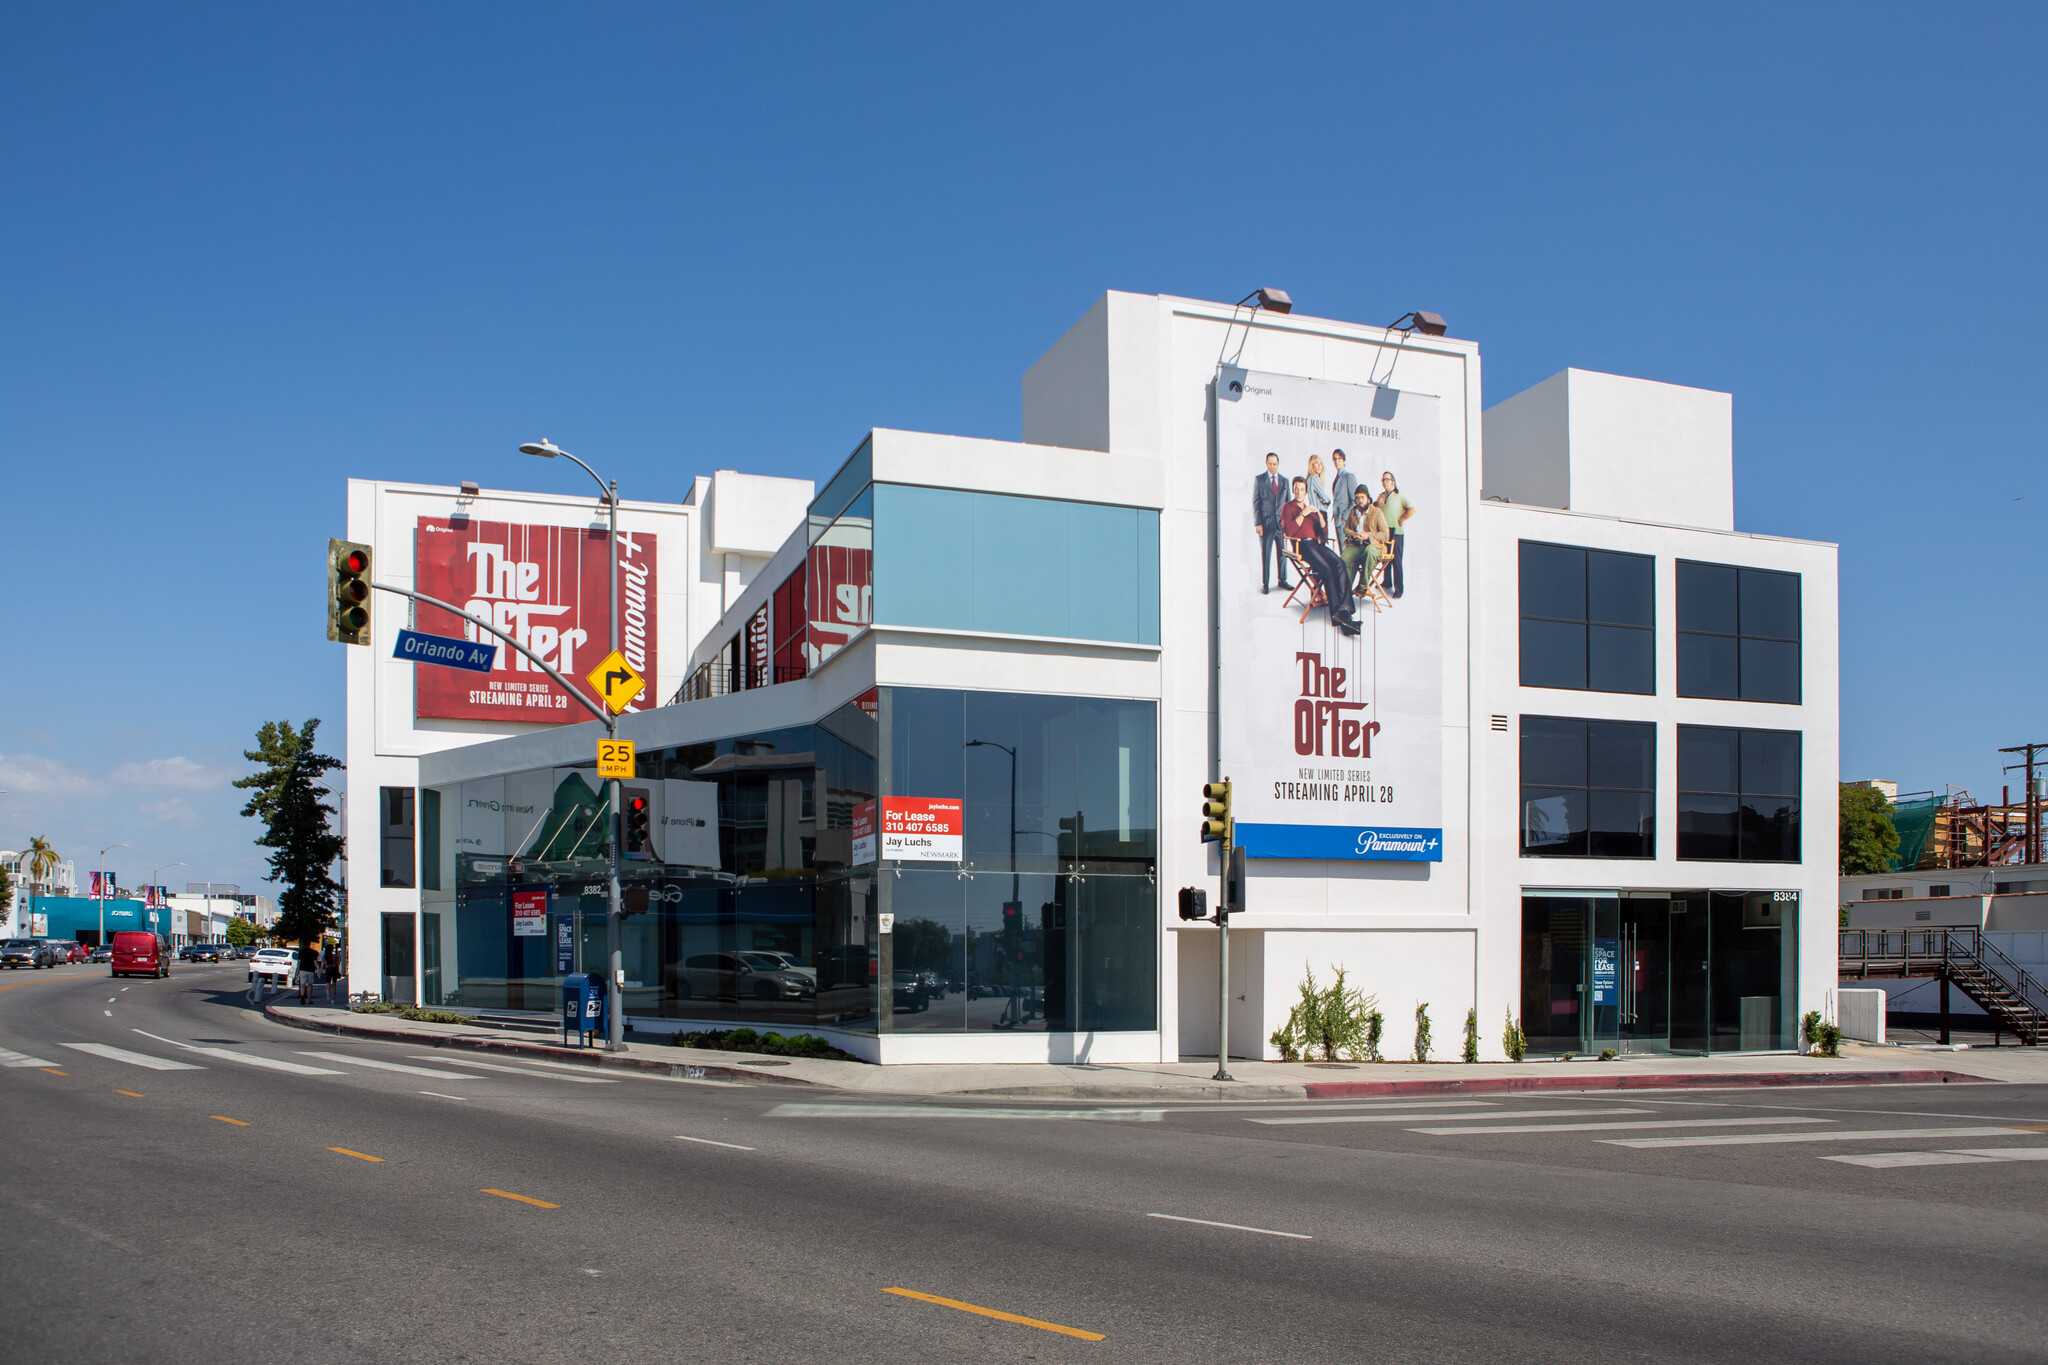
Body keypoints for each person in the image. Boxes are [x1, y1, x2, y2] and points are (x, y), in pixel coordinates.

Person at [1280, 477, 1359, 635]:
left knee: (1339, 564)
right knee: (1327, 570)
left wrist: (1320, 517)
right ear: (1293, 490)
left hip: (1317, 544)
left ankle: (1345, 611)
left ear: (1306, 492)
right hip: (1303, 545)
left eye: (1302, 489)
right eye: (1296, 489)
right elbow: (1289, 531)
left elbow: (1323, 533)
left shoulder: (1311, 508)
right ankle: (1336, 615)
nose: (1299, 492)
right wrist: (1302, 514)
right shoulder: (1288, 507)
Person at [1252, 452, 1291, 593]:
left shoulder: (1285, 481)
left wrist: (1289, 525)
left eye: (1275, 464)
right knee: (1266, 554)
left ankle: (1283, 580)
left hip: (1281, 525)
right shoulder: (1259, 479)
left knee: (1283, 554)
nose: (1272, 466)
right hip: (1266, 524)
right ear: (1266, 463)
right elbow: (1256, 502)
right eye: (1270, 463)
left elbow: (1288, 505)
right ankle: (1266, 583)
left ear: (1278, 464)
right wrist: (1257, 523)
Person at [1340, 486, 1390, 596]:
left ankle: (1362, 587)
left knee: (1369, 551)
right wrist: (1354, 534)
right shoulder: (1353, 511)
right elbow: (1346, 529)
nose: (1359, 500)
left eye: (1362, 497)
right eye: (1357, 498)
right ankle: (1345, 593)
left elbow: (1385, 535)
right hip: (1356, 544)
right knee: (1344, 559)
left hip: (1374, 545)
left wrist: (1367, 535)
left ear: (1368, 499)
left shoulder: (1377, 513)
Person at [1378, 470, 1416, 599]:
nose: (1384, 482)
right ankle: (1387, 581)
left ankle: (1399, 588)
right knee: (1385, 557)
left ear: (1393, 481)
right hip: (1384, 530)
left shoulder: (1399, 495)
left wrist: (1402, 518)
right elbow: (1373, 508)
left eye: (1387, 479)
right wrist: (1378, 503)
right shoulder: (1382, 496)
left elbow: (1412, 508)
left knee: (1396, 559)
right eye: (1383, 479)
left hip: (1396, 531)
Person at [1329, 450, 1358, 540]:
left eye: (1339, 459)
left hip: (1345, 521)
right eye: (1335, 459)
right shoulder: (1337, 478)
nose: (1337, 462)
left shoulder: (1349, 476)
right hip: (1338, 521)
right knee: (1342, 551)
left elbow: (1355, 500)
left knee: (1346, 551)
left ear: (1344, 461)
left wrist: (1344, 517)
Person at [1304, 454, 1333, 541]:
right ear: (1311, 465)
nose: (1319, 465)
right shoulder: (1313, 478)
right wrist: (1325, 504)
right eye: (1316, 463)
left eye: (1321, 463)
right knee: (1322, 541)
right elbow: (1327, 499)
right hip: (1320, 513)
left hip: (1314, 514)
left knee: (1318, 541)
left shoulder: (1309, 479)